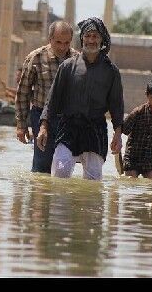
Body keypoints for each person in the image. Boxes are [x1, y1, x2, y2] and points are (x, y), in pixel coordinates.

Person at [37, 17, 124, 181]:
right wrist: (43, 127)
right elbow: (53, 100)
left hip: (95, 131)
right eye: (88, 36)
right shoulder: (68, 66)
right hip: (68, 129)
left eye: (95, 36)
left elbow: (117, 106)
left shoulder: (111, 71)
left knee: (93, 179)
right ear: (82, 38)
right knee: (60, 171)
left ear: (102, 39)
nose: (91, 40)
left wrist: (118, 135)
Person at [15, 21, 78, 173]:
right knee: (42, 164)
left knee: (63, 166)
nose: (62, 47)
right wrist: (21, 125)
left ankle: (58, 194)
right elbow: (23, 92)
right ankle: (39, 195)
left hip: (68, 119)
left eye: (66, 43)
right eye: (58, 42)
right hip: (41, 116)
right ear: (50, 39)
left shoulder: (78, 60)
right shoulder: (35, 58)